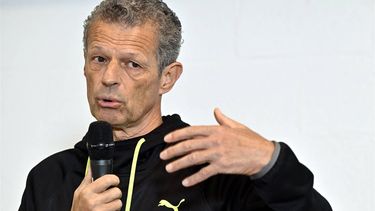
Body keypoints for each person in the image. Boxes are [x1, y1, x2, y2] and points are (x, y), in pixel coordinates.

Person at [19, 0, 332, 210]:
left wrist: (271, 163)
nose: (109, 77)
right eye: (99, 59)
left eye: (132, 65)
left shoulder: (209, 168)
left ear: (167, 78)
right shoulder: (48, 178)